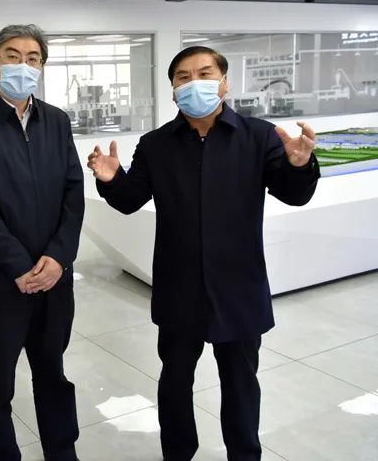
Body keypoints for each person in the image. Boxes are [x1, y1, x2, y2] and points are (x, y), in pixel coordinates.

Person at [87, 46, 320, 461]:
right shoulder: (156, 144)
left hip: (238, 287)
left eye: (205, 73)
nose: (194, 83)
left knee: (241, 384)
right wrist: (111, 179)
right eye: (183, 77)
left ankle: (244, 454)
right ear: (173, 90)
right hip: (179, 288)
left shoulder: (258, 136)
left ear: (224, 82)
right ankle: (178, 453)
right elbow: (129, 199)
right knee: (175, 382)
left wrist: (300, 166)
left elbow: (293, 194)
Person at [0, 25, 84, 461]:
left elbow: (73, 192)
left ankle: (62, 451)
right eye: (12, 56)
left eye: (33, 58)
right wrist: (18, 267)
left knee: (53, 373)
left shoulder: (56, 120)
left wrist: (58, 257)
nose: (23, 65)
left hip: (54, 279)